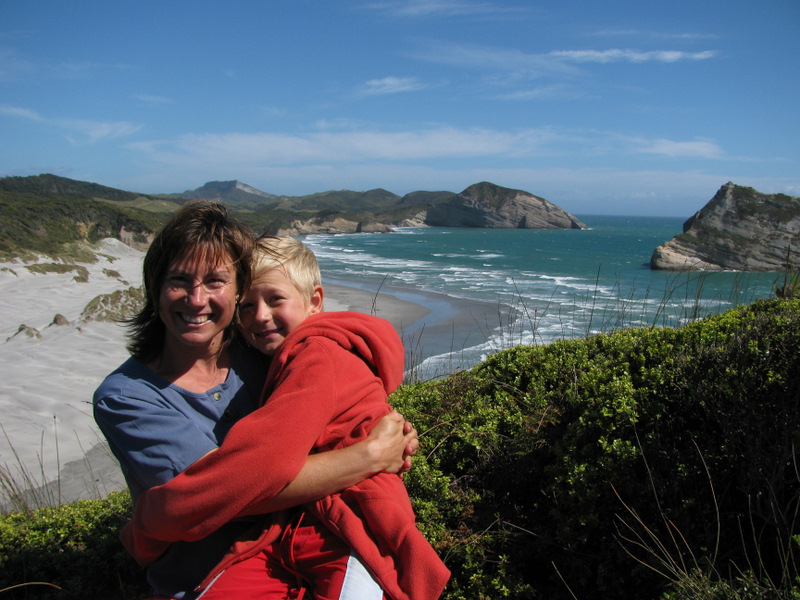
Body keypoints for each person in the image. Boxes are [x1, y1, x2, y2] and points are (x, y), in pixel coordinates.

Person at [93, 202, 418, 599]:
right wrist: (367, 457)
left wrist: (384, 430)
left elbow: (342, 402)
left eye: (214, 281)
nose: (196, 300)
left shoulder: (264, 353)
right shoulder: (127, 397)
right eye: (179, 280)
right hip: (209, 571)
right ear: (155, 288)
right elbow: (218, 496)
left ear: (234, 290)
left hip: (309, 545)